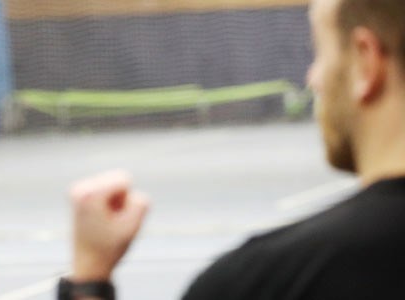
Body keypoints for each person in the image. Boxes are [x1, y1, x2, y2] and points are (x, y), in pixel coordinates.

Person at [59, 0, 405, 299]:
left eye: (320, 50)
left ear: (365, 61)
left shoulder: (262, 282)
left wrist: (90, 279)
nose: (312, 77)